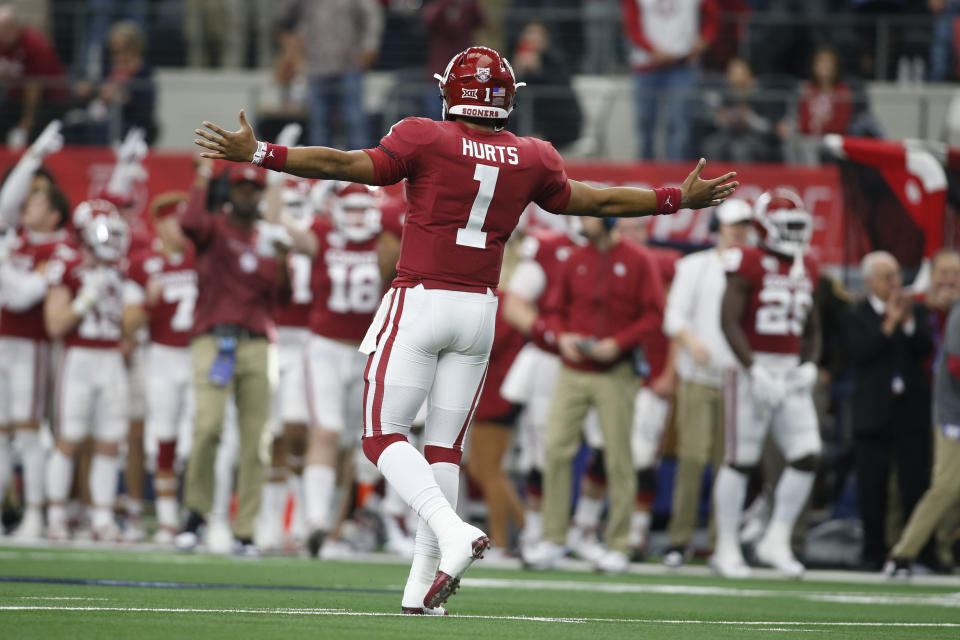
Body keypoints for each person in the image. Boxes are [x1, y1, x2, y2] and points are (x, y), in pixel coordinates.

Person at [193, 45, 736, 612]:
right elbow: (592, 200)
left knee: (382, 436)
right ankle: (421, 592)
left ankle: (453, 533)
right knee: (444, 450)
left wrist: (259, 152)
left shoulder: (425, 136)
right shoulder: (534, 156)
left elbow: (343, 166)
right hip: (479, 309)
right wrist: (673, 199)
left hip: (423, 297)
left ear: (451, 90)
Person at [521, 215, 665, 574]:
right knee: (554, 448)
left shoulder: (638, 259)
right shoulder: (575, 259)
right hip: (574, 368)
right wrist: (563, 337)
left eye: (589, 215)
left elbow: (654, 314)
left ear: (607, 219)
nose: (582, 220)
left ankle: (618, 542)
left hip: (615, 371)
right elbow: (553, 310)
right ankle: (554, 539)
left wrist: (619, 343)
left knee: (618, 455)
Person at [277, 180, 402, 557]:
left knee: (350, 443)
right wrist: (270, 180)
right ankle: (315, 521)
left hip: (367, 349)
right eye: (350, 209)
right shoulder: (320, 234)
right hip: (326, 348)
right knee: (326, 433)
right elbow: (277, 227)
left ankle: (329, 532)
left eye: (364, 209)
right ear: (333, 211)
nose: (357, 217)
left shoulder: (387, 242)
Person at [174, 159, 292, 556]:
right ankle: (195, 516)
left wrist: (285, 262)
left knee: (256, 441)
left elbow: (285, 299)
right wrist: (203, 176)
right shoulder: (213, 227)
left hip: (259, 342)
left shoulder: (269, 238)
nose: (246, 194)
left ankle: (245, 530)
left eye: (253, 189)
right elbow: (188, 223)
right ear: (231, 192)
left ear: (260, 195)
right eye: (240, 188)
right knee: (207, 428)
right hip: (213, 338)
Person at [713, 188, 822, 579]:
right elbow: (728, 320)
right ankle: (725, 546)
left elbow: (812, 328)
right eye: (786, 225)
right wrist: (753, 367)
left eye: (798, 225)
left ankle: (775, 539)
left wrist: (808, 365)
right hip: (750, 370)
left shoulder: (807, 264)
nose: (794, 234)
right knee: (740, 460)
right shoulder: (747, 260)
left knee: (807, 455)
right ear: (764, 227)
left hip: (790, 373)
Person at [660, 198, 752, 568]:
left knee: (729, 463)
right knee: (694, 458)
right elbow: (673, 316)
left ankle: (722, 543)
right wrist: (691, 341)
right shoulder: (695, 266)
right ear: (719, 227)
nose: (738, 231)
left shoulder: (756, 268)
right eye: (733, 225)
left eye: (743, 225)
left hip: (738, 379)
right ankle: (680, 541)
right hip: (699, 376)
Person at [43, 201, 132, 541]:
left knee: (110, 443)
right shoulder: (67, 264)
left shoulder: (121, 266)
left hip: (111, 358)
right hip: (79, 357)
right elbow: (54, 324)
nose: (112, 240)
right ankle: (55, 517)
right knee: (70, 440)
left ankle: (102, 519)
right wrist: (85, 301)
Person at [845, 251, 933, 571]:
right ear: (870, 282)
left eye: (896, 275)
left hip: (909, 410)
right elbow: (859, 355)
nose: (894, 283)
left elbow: (925, 348)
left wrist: (907, 323)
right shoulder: (856, 313)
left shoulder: (915, 310)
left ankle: (915, 552)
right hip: (873, 412)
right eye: (887, 277)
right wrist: (890, 325)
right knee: (872, 486)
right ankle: (872, 552)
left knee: (913, 483)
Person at [0, 162, 70, 540]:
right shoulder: (19, 240)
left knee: (29, 432)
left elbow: (26, 295)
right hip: (3, 341)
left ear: (54, 212)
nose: (28, 205)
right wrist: (31, 159)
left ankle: (34, 515)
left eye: (38, 200)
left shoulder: (59, 248)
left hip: (32, 345)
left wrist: (4, 272)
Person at [122, 193, 198, 544]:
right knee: (162, 437)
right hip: (162, 356)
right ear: (160, 224)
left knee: (194, 440)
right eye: (173, 220)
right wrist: (147, 304)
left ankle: (195, 513)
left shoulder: (203, 254)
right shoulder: (143, 263)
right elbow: (126, 324)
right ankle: (167, 517)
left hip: (199, 354)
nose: (180, 227)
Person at [886, 294, 960, 577]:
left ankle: (938, 550)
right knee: (946, 487)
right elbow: (956, 363)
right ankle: (903, 554)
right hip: (954, 413)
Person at [275, 0, 383, 149]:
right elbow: (284, 15)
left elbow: (371, 15)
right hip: (316, 65)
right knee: (319, 125)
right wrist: (292, 51)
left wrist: (370, 46)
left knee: (354, 122)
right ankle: (320, 170)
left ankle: (360, 170)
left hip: (349, 64)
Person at [621, 0, 719, 160]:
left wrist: (703, 41)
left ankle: (676, 176)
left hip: (682, 65)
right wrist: (652, 50)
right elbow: (632, 26)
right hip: (647, 64)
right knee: (645, 123)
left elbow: (712, 17)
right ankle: (646, 174)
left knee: (679, 123)